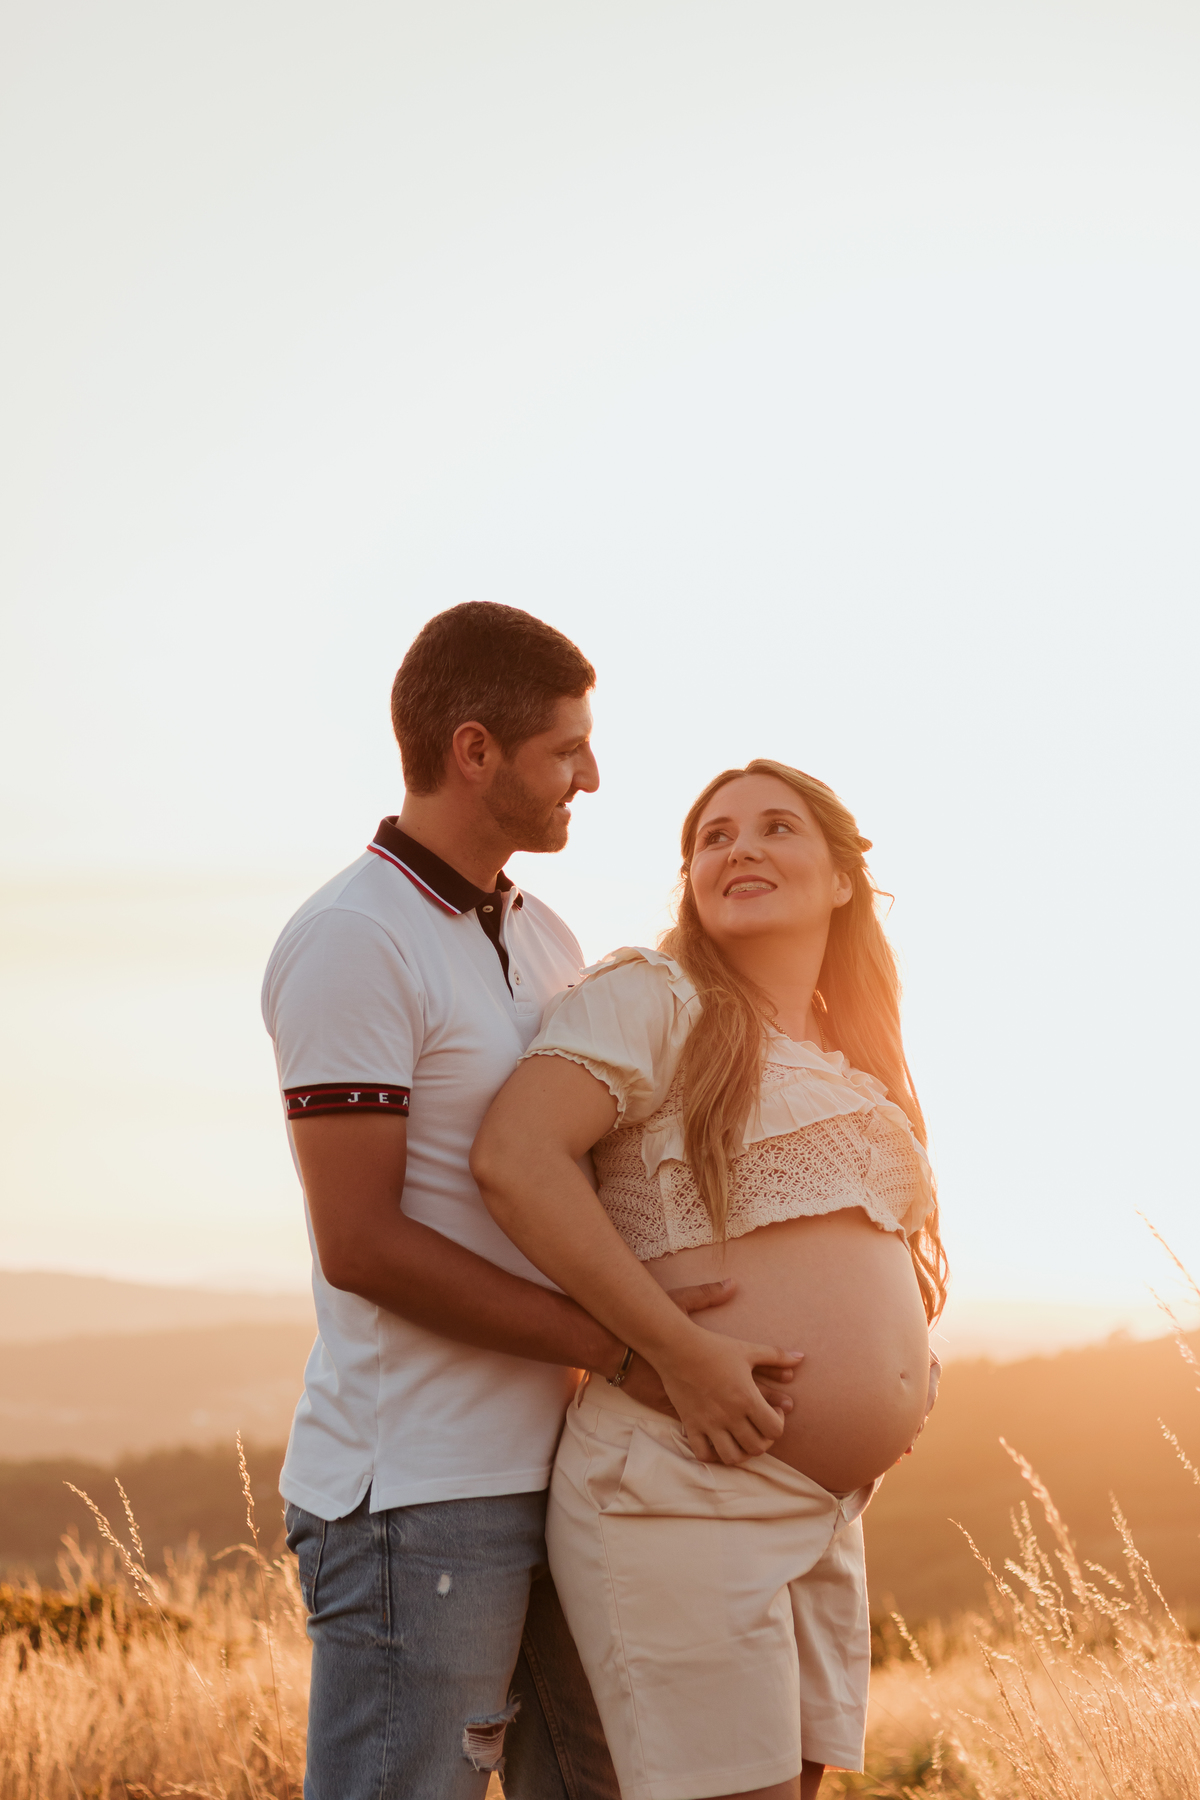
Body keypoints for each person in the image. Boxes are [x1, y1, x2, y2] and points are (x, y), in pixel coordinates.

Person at [261, 605, 785, 1800]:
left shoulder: (540, 931)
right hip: (420, 1493)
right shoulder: (355, 938)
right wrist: (630, 1348)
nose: (591, 778)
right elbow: (364, 1246)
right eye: (565, 750)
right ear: (475, 750)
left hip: (569, 1476)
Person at [472, 759, 949, 1800]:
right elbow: (517, 1159)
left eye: (777, 828)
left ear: (839, 879)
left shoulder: (849, 1048)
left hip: (819, 1506)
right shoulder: (655, 996)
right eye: (713, 837)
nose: (740, 848)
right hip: (678, 1487)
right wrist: (673, 1351)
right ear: (689, 878)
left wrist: (906, 1368)